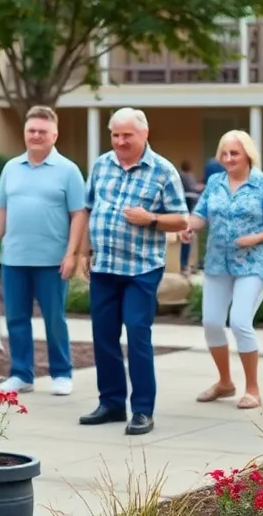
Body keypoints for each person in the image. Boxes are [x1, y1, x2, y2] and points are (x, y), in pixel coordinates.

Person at [79, 107, 189, 436]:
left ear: (144, 134)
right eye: (115, 134)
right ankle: (111, 402)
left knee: (138, 332)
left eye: (127, 135)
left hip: (142, 267)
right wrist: (83, 250)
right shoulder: (101, 164)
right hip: (105, 265)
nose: (120, 141)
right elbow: (88, 209)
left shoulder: (163, 171)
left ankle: (142, 409)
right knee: (103, 335)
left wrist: (151, 219)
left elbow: (182, 219)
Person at [181, 131, 263, 410]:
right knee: (212, 323)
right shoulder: (215, 182)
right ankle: (225, 383)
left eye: (234, 154)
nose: (228, 159)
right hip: (218, 262)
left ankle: (252, 389)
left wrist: (255, 238)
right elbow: (201, 213)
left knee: (240, 321)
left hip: (253, 262)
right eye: (225, 154)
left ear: (248, 155)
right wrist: (189, 227)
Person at [0, 105, 86, 397]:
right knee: (16, 318)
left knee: (55, 318)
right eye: (31, 130)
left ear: (54, 135)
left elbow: (79, 214)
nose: (36, 135)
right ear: (24, 133)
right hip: (14, 258)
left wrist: (72, 254)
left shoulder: (68, 170)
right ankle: (21, 374)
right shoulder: (11, 169)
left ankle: (62, 372)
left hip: (53, 261)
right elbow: (0, 209)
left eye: (42, 131)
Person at [178, 160, 204, 273]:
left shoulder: (183, 176)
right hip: (189, 210)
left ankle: (187, 264)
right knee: (187, 235)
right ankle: (185, 265)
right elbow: (192, 189)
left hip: (190, 212)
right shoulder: (185, 177)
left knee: (189, 237)